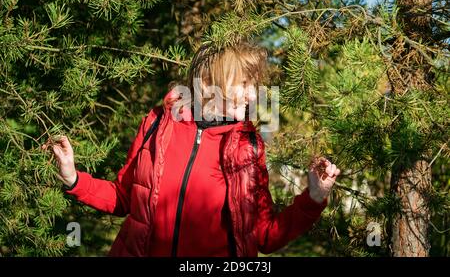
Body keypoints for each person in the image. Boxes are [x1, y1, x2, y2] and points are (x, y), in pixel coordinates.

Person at [42, 41, 341, 257]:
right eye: (244, 84)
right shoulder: (157, 124)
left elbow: (264, 235)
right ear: (209, 82)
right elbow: (124, 197)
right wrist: (73, 178)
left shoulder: (248, 148)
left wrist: (314, 197)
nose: (253, 94)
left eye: (255, 85)